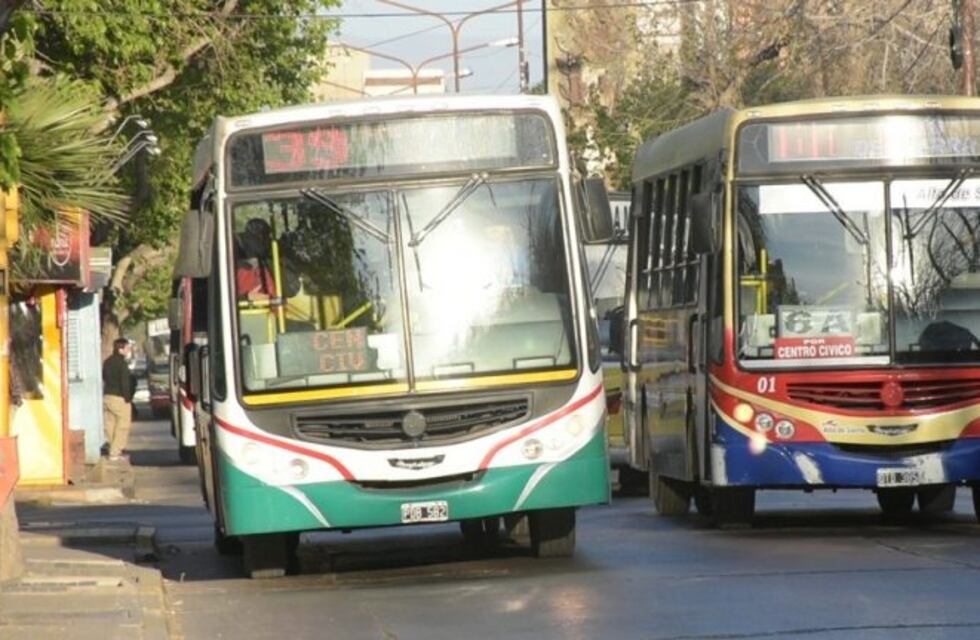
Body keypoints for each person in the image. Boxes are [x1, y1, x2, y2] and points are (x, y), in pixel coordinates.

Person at [102, 338, 134, 461]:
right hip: (119, 397)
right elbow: (125, 382)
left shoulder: (107, 362)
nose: (128, 350)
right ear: (120, 349)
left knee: (110, 423)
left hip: (107, 396)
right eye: (127, 348)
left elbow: (104, 377)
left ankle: (112, 447)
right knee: (123, 424)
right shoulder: (122, 363)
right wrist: (128, 398)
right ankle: (115, 452)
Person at [235, 218, 278, 301]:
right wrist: (246, 297)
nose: (268, 241)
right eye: (266, 236)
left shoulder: (267, 264)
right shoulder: (238, 269)